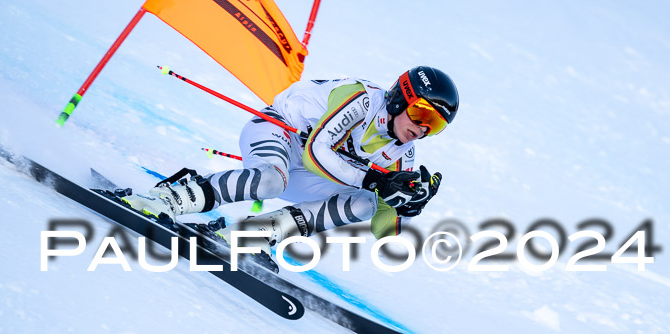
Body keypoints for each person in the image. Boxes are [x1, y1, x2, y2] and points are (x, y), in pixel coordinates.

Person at [122, 66, 458, 269]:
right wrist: (374, 179)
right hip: (278, 131)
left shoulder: (405, 154)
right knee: (270, 181)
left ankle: (248, 236)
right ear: (401, 97)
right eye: (422, 114)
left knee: (367, 202)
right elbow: (315, 151)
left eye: (436, 125)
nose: (423, 128)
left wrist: (409, 206)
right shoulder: (363, 99)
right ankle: (168, 199)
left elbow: (382, 228)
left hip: (311, 172)